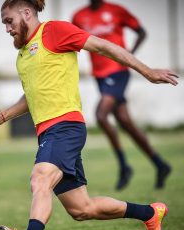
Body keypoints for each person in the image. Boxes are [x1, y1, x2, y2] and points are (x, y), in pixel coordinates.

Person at [0, 0, 178, 230]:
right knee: (82, 209)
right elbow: (32, 95)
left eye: (9, 21)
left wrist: (147, 71)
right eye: (4, 23)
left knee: (40, 179)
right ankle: (151, 213)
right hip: (49, 132)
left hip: (65, 127)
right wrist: (2, 116)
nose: (7, 29)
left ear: (26, 13)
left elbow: (103, 46)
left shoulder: (55, 31)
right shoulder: (23, 55)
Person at [72, 0, 171, 190]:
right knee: (125, 122)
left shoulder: (116, 11)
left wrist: (130, 55)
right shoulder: (79, 16)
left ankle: (124, 166)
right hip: (99, 76)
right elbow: (73, 43)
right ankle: (160, 164)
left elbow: (142, 32)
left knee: (101, 115)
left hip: (118, 72)